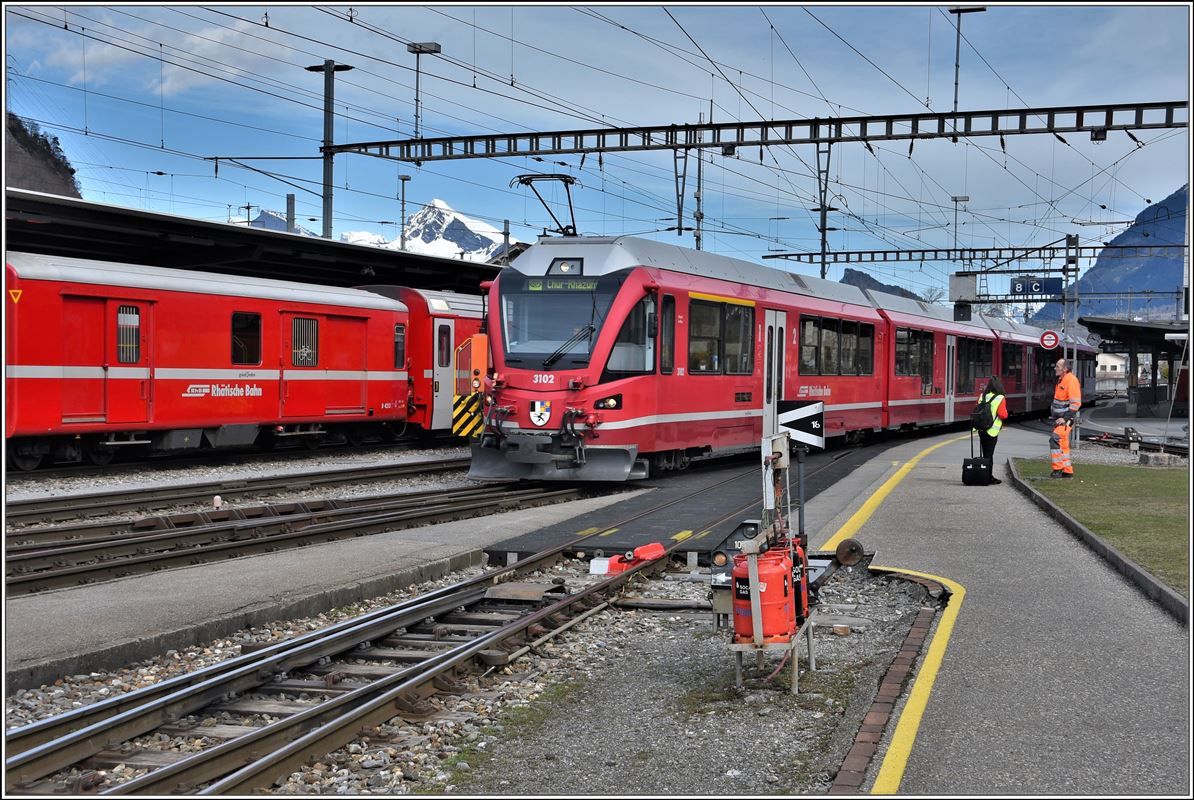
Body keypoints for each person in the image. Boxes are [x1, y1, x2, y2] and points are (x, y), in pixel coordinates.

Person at [1050, 357, 1083, 478]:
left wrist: (1064, 418)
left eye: (1057, 366)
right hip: (1061, 419)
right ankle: (1068, 471)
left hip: (1066, 419)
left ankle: (1058, 469)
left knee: (1055, 439)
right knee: (1062, 443)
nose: (1055, 368)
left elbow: (1076, 404)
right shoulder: (1061, 379)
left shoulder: (1071, 380)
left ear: (1065, 369)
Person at [975, 376, 1008, 484]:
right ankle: (988, 477)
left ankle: (985, 474)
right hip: (992, 431)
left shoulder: (982, 396)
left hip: (981, 429)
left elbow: (977, 410)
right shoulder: (1000, 398)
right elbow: (1003, 414)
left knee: (985, 453)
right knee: (989, 455)